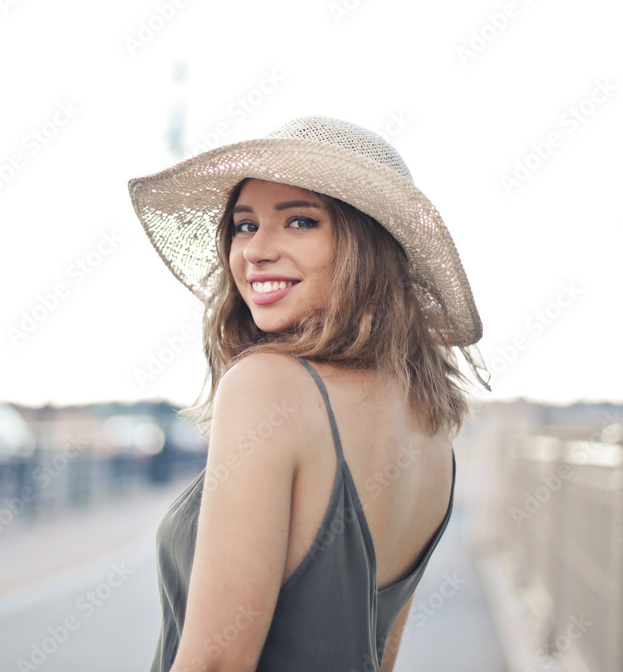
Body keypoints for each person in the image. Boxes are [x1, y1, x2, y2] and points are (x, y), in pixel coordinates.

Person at [128, 116, 491, 672]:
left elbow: (217, 661)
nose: (256, 251)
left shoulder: (266, 385)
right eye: (245, 225)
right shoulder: (430, 420)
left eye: (299, 221)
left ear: (368, 244)